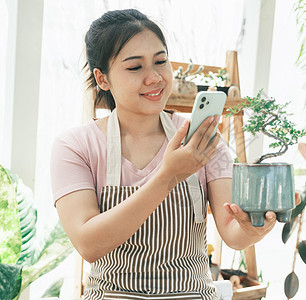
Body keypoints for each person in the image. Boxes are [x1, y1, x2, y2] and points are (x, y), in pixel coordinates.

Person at [51, 8, 277, 300]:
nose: (154, 78)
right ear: (102, 79)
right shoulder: (75, 146)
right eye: (135, 67)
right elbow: (88, 244)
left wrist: (255, 228)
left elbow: (233, 233)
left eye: (161, 61)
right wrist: (168, 176)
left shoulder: (203, 139)